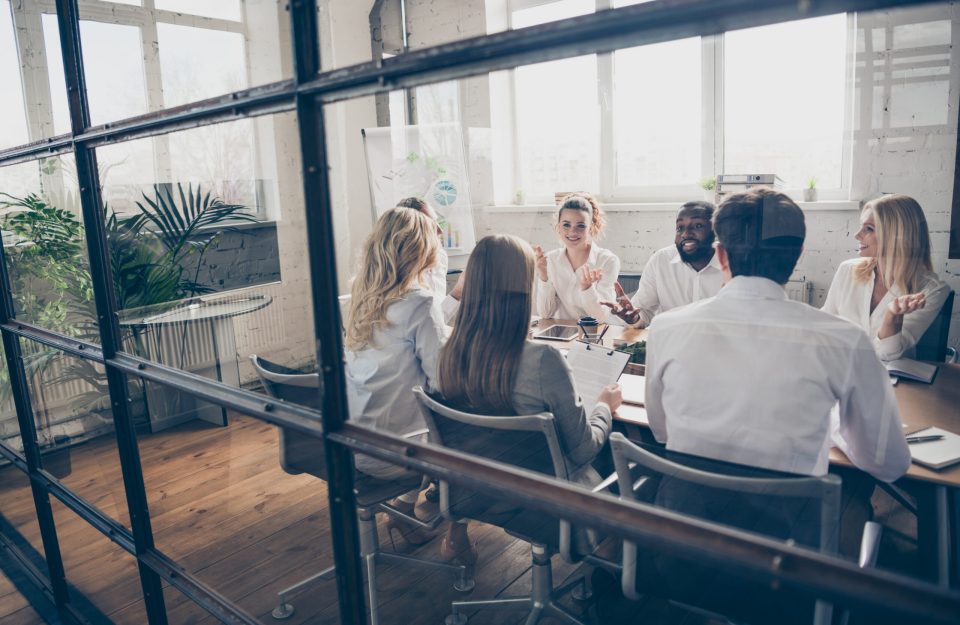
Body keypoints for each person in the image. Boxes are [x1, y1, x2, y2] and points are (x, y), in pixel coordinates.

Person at [642, 188, 910, 623]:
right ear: (797, 254)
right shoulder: (844, 340)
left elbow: (662, 432)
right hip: (790, 576)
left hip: (682, 557)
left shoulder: (667, 328)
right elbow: (888, 462)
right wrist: (834, 424)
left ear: (721, 254)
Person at [435, 234, 622, 567]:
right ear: (524, 286)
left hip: (477, 494)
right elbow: (583, 450)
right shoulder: (542, 360)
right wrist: (604, 406)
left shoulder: (446, 352)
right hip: (547, 506)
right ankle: (606, 566)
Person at [344, 207, 446, 545]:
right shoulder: (420, 302)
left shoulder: (362, 294)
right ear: (421, 249)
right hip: (393, 455)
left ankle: (402, 512)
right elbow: (440, 382)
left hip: (349, 446)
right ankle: (454, 533)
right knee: (467, 431)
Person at [822, 194, 950, 361]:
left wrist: (892, 317)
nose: (857, 235)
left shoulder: (931, 289)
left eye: (869, 229)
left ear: (897, 235)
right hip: (840, 370)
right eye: (861, 226)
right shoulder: (847, 270)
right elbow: (825, 325)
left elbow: (888, 354)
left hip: (895, 382)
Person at [602, 201, 722, 327]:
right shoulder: (661, 260)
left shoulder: (735, 264)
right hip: (672, 342)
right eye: (680, 228)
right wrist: (634, 317)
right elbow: (644, 311)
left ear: (717, 231)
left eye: (698, 226)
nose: (686, 234)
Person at [535, 192, 620, 321]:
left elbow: (601, 318)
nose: (572, 232)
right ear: (558, 226)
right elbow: (545, 314)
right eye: (566, 225)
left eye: (580, 226)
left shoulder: (607, 260)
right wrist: (543, 275)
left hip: (594, 336)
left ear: (591, 227)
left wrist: (587, 288)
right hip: (561, 335)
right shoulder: (550, 260)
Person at [396, 196, 463, 323]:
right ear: (412, 232)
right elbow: (424, 324)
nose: (440, 230)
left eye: (437, 222)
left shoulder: (440, 255)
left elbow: (436, 318)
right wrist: (456, 294)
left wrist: (458, 293)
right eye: (431, 225)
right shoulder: (399, 272)